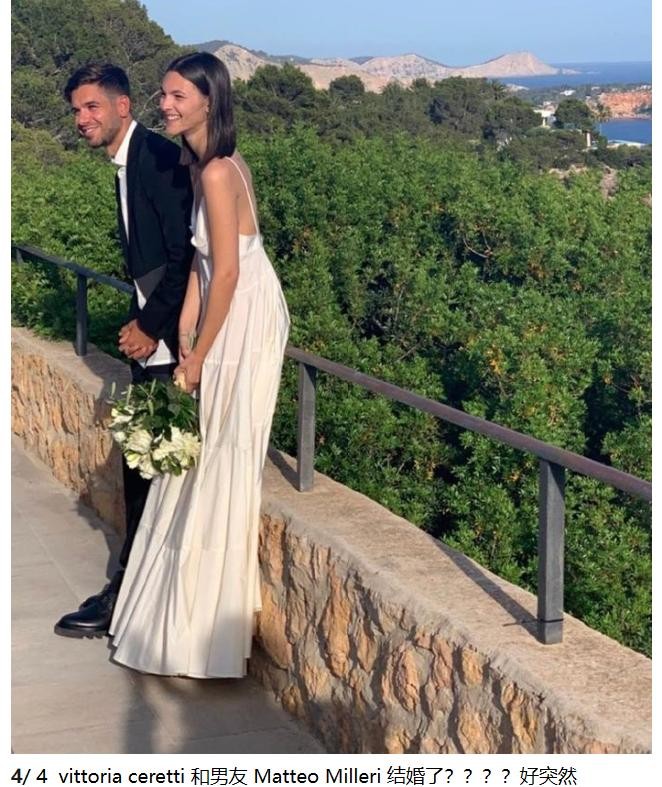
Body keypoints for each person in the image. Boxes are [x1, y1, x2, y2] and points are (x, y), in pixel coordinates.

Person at [108, 52, 290, 678]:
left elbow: (231, 271)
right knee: (202, 454)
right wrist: (184, 326)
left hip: (243, 313)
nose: (165, 105)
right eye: (163, 95)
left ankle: (203, 626)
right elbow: (201, 259)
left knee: (220, 455)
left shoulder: (217, 171)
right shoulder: (201, 165)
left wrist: (199, 356)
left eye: (178, 96)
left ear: (210, 100)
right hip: (218, 304)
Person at [54, 63, 194, 638]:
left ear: (122, 106)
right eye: (76, 111)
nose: (82, 119)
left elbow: (185, 256)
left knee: (150, 467)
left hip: (175, 343)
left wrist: (151, 327)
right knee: (144, 465)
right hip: (154, 336)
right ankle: (134, 591)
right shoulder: (131, 160)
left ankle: (129, 596)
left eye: (92, 107)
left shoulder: (156, 158)